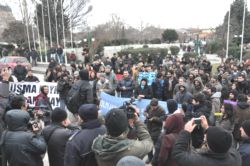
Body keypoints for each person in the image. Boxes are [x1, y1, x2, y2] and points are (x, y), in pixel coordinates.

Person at [172, 116, 242, 166]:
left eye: (206, 140)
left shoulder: (201, 162)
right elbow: (221, 139)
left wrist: (186, 131)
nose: (204, 137)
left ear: (211, 146)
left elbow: (178, 154)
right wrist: (207, 128)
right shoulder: (236, 156)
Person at [144, 98, 165, 164]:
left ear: (157, 105)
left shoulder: (161, 110)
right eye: (151, 106)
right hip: (148, 127)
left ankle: (156, 158)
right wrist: (146, 114)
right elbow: (145, 111)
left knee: (156, 145)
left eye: (154, 107)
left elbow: (162, 120)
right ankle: (150, 157)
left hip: (156, 129)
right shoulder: (149, 106)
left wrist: (154, 119)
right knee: (148, 143)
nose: (152, 108)